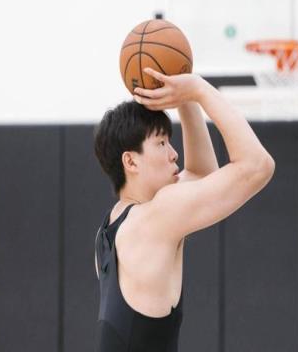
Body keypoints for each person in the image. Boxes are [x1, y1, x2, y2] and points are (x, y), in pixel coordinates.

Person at [93, 67, 275, 351]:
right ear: (131, 161)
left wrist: (184, 99)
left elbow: (202, 174)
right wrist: (199, 90)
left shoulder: (111, 227)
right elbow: (258, 166)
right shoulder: (153, 219)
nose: (174, 153)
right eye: (161, 143)